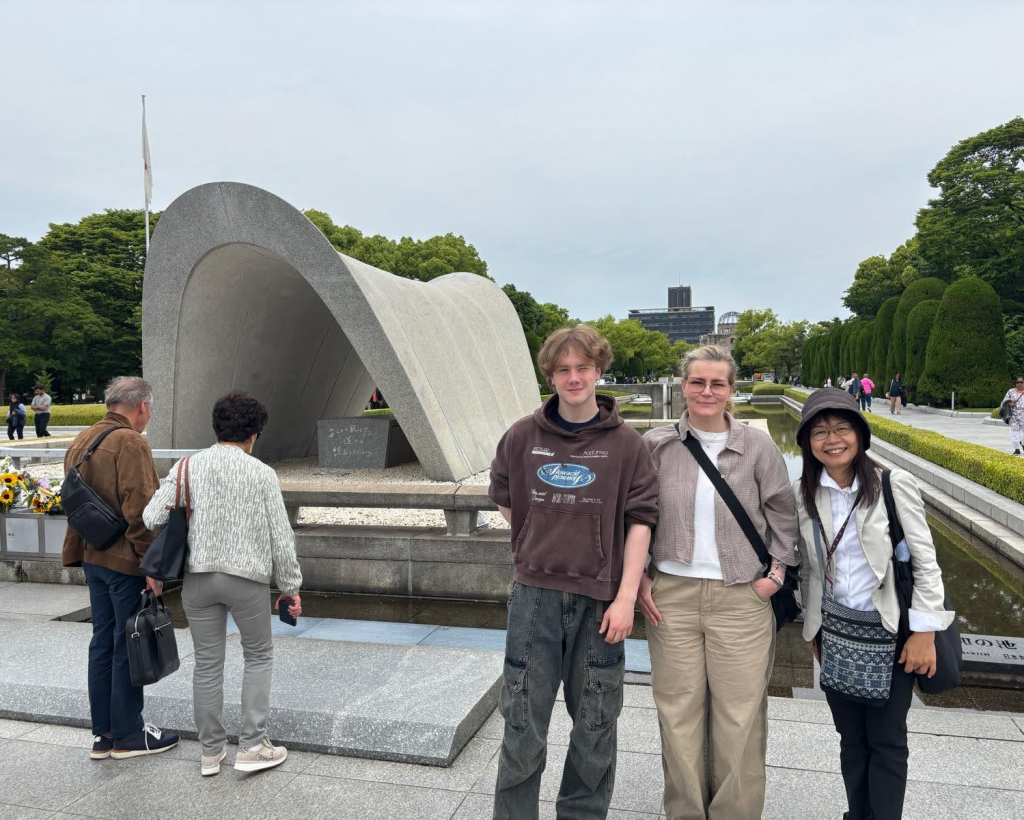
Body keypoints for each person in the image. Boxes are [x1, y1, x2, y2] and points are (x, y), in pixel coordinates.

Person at [488, 324, 659, 819]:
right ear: (551, 376)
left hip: (600, 601)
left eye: (583, 367)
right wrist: (533, 535)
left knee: (595, 728)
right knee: (522, 724)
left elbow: (642, 521)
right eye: (563, 369)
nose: (574, 377)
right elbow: (503, 496)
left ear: (599, 370)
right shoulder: (522, 435)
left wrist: (625, 597)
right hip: (533, 597)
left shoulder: (627, 444)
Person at [637, 345, 799, 820]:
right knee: (678, 713)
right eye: (697, 382)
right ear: (682, 385)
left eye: (717, 383)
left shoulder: (758, 446)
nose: (706, 391)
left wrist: (775, 575)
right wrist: (640, 576)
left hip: (741, 596)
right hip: (671, 596)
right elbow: (636, 516)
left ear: (732, 390)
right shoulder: (656, 445)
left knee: (738, 716)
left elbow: (783, 514)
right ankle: (686, 812)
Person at [792, 388, 953, 820]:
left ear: (860, 434)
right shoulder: (803, 493)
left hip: (892, 635)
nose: (832, 439)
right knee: (851, 740)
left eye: (842, 428)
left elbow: (926, 563)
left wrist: (924, 632)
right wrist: (813, 628)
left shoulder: (891, 485)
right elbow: (808, 569)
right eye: (820, 432)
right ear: (807, 441)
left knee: (887, 741)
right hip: (836, 635)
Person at [144, 389, 303, 777]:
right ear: (253, 434)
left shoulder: (187, 467)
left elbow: (151, 517)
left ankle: (210, 753)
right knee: (258, 656)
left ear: (217, 427)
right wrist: (290, 587)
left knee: (207, 665)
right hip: (246, 579)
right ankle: (252, 745)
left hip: (198, 580)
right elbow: (281, 538)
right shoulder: (262, 474)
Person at [61, 376, 179, 760]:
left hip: (91, 555)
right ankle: (128, 733)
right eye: (150, 408)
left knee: (103, 642)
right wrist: (153, 565)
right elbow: (141, 510)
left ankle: (104, 735)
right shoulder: (130, 441)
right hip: (125, 560)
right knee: (128, 643)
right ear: (142, 406)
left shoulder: (83, 439)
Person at [1001, 376, 1024, 455]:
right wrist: (1010, 404)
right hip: (1014, 414)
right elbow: (1005, 401)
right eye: (1018, 382)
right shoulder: (1011, 391)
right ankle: (1016, 449)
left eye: (1021, 382)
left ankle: (1022, 443)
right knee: (1014, 431)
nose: (1019, 384)